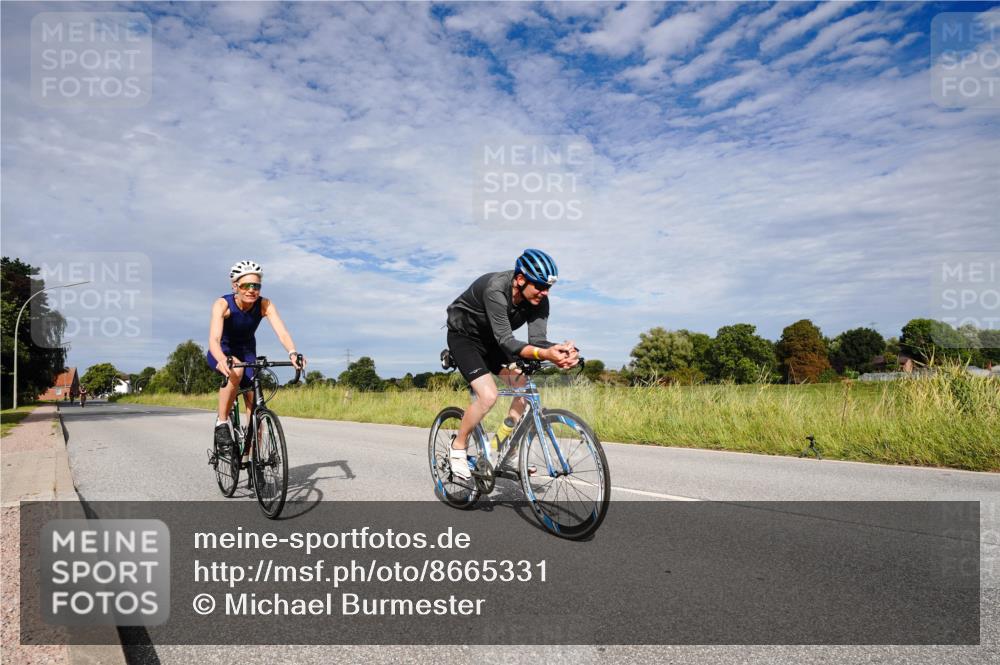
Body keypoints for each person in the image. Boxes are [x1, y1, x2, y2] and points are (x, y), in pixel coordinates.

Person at [445, 249, 578, 479]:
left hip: (495, 343)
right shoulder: (496, 289)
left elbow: (538, 342)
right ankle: (458, 447)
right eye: (539, 286)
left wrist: (560, 351)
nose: (545, 293)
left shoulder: (539, 301)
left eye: (548, 288)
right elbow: (507, 340)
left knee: (525, 390)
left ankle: (504, 449)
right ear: (520, 279)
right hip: (465, 338)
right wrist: (546, 353)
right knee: (488, 396)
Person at [207, 260, 305, 458]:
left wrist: (293, 352)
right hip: (222, 351)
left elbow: (282, 332)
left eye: (256, 286)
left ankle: (254, 462)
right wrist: (221, 358)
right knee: (236, 370)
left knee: (255, 406)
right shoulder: (223, 304)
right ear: (235, 286)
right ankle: (222, 423)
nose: (252, 290)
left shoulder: (265, 304)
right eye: (246, 285)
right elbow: (214, 339)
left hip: (248, 352)